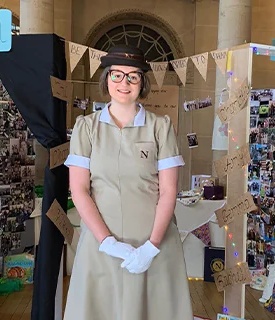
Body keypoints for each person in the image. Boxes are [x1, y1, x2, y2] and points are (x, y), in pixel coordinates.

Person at [63, 45, 193, 320]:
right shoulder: (86, 128)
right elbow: (79, 190)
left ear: (142, 82)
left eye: (133, 76)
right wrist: (107, 242)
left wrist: (151, 246)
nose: (125, 83)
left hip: (154, 247)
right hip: (101, 246)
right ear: (106, 79)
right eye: (117, 75)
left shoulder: (161, 127)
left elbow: (169, 191)